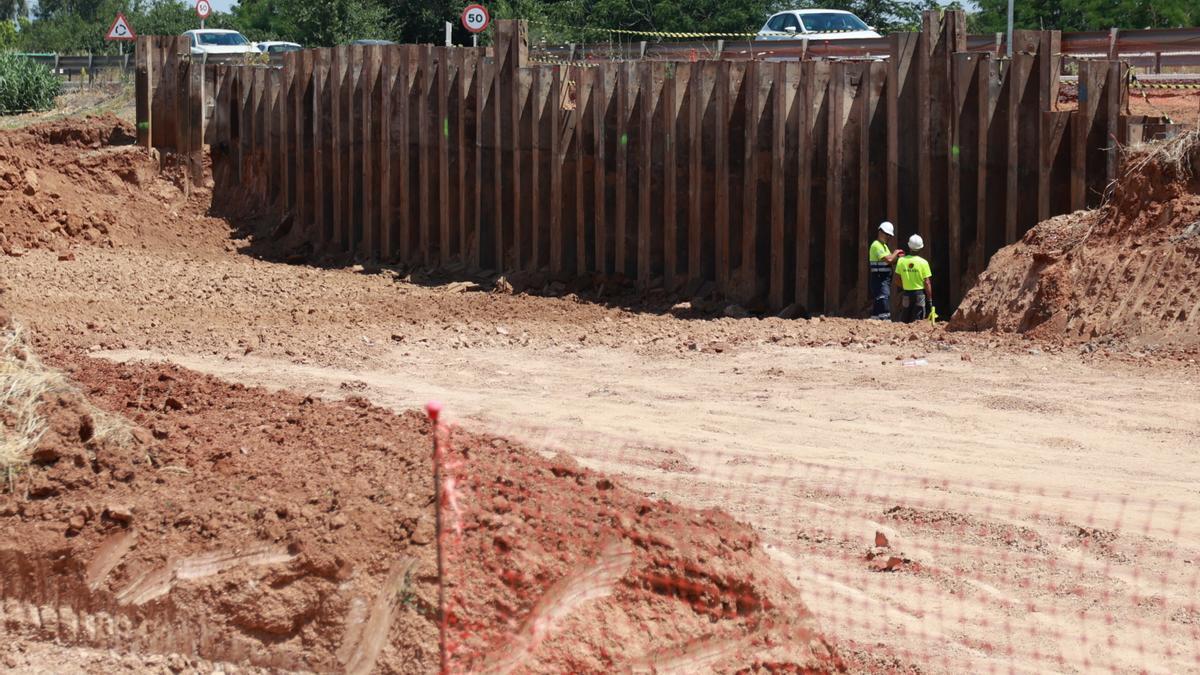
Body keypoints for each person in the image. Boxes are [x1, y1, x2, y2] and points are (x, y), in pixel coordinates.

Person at [868, 221, 904, 320]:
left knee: (880, 298)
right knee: (883, 297)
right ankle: (885, 320)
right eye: (887, 234)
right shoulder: (876, 245)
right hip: (879, 278)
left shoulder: (884, 246)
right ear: (880, 232)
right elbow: (888, 259)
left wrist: (899, 259)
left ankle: (875, 320)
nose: (888, 237)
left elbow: (890, 261)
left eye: (889, 235)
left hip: (884, 278)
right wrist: (896, 252)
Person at [894, 234, 932, 323]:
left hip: (906, 294)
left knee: (905, 319)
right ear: (921, 248)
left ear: (909, 246)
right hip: (919, 295)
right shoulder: (924, 263)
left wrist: (905, 286)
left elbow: (896, 279)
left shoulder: (901, 261)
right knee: (917, 321)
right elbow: (927, 282)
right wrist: (930, 300)